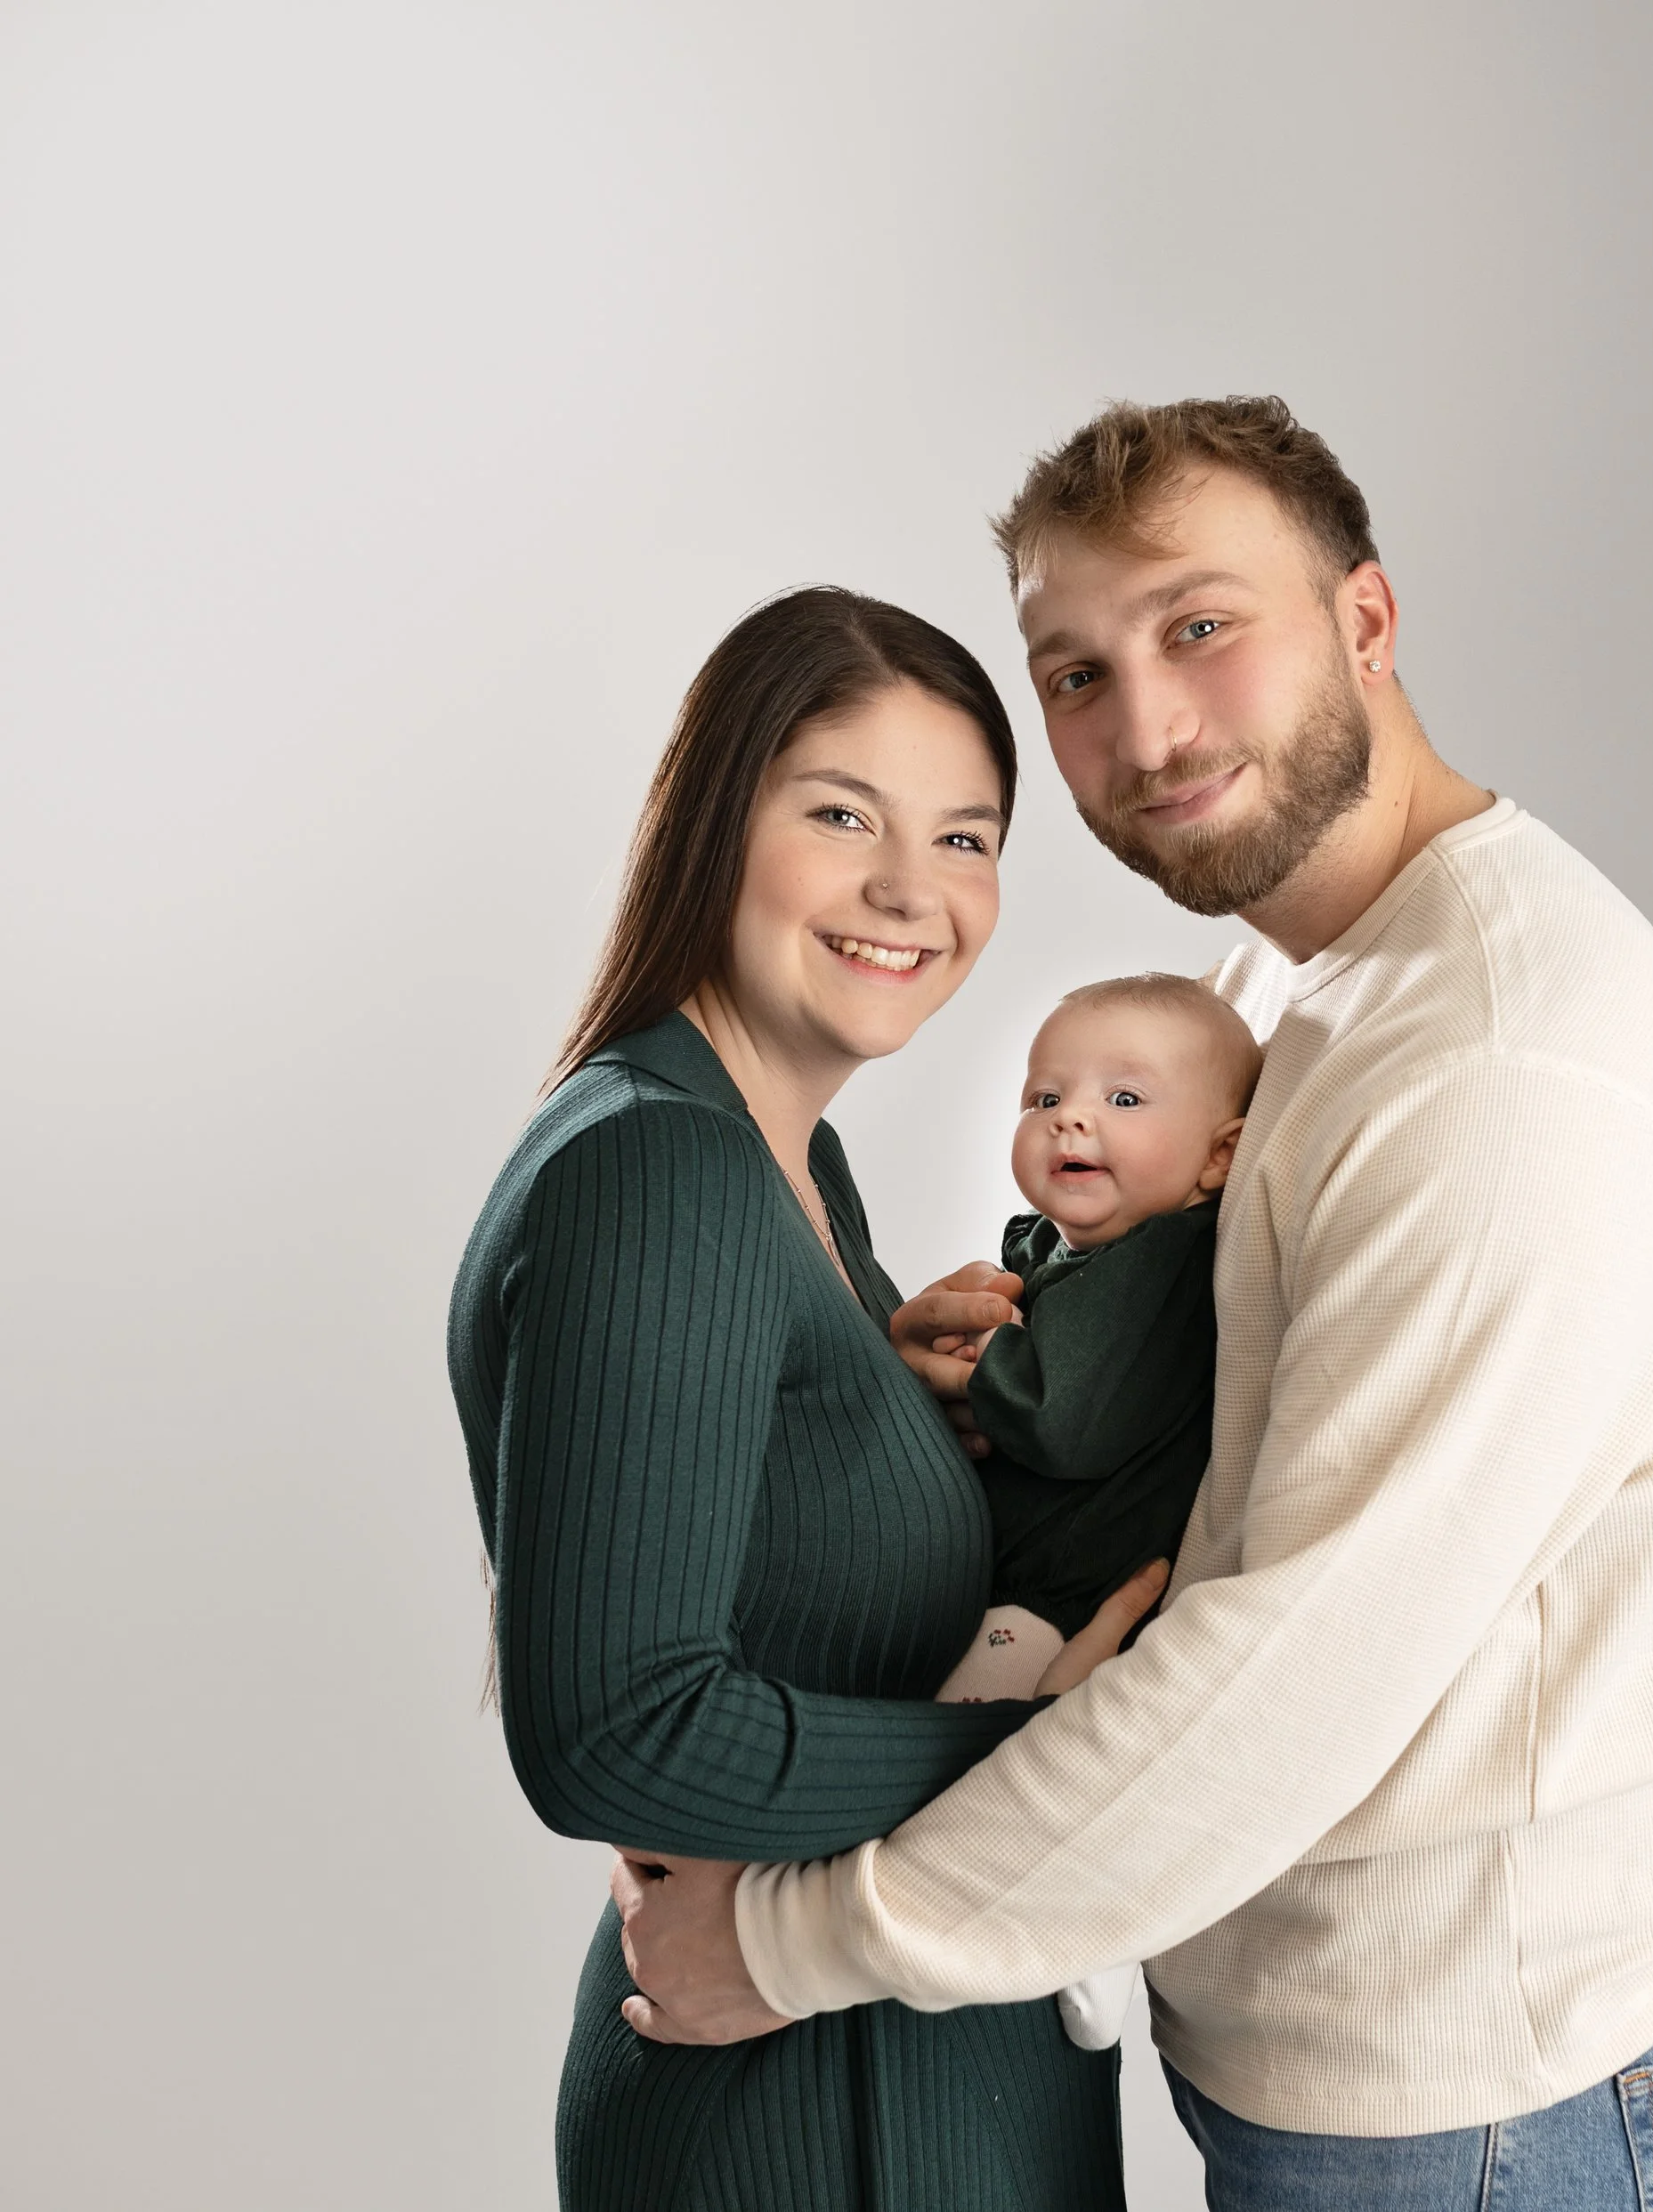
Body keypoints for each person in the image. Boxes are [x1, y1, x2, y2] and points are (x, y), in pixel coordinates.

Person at [614, 400, 1653, 2212]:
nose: (1142, 731)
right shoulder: (1291, 976)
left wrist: (784, 1947)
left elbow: (1280, 1689)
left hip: (1502, 2103)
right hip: (1367, 2069)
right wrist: (1022, 1360)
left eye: (1197, 628)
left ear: (1365, 625)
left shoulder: (1501, 1077)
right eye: (1073, 672)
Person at [449, 586, 1160, 2212]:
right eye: (842, 813)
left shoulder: (789, 1165)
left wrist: (895, 1413)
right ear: (715, 817)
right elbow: (615, 1732)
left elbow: (773, 1564)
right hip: (818, 2113)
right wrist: (1052, 1761)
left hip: (894, 2070)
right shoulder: (664, 1173)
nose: (912, 891)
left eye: (967, 837)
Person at [933, 972, 1260, 2050]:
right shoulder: (1074, 1249)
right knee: (1008, 1774)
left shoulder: (1160, 1258)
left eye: (1125, 1100)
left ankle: (1085, 1931)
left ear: (1217, 1158)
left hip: (1064, 1593)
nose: (1070, 1115)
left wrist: (976, 1369)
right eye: (1045, 1096)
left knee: (968, 1772)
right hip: (1041, 1577)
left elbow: (1063, 1416)